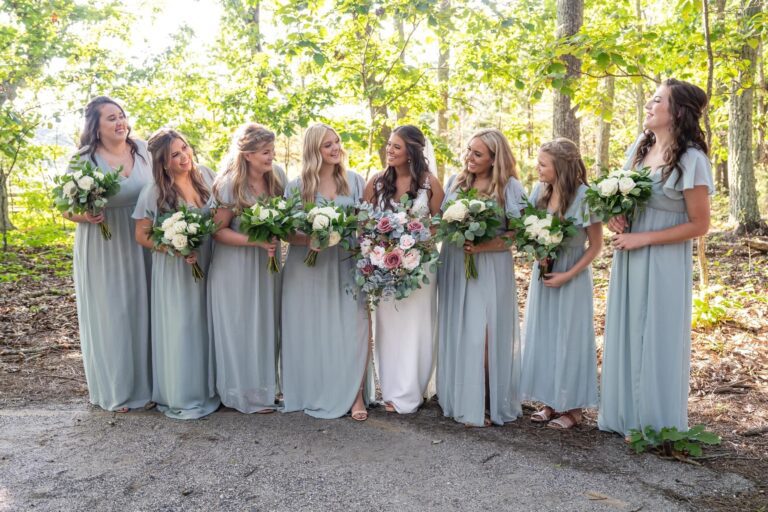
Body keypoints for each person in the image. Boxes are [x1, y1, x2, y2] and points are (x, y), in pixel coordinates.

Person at [598, 79, 713, 436]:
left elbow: (700, 224)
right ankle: (623, 415)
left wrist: (644, 237)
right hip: (630, 253)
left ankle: (655, 421)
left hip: (663, 260)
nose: (649, 105)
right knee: (628, 328)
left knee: (656, 333)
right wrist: (614, 217)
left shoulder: (692, 160)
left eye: (657, 100)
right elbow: (621, 201)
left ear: (677, 111)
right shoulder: (638, 149)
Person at [65, 96, 152, 413]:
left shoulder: (142, 149)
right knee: (113, 314)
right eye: (111, 118)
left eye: (122, 116)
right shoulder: (83, 159)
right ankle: (119, 390)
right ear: (96, 126)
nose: (120, 123)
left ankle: (150, 385)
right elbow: (65, 208)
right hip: (104, 242)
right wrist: (85, 216)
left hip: (143, 239)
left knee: (145, 310)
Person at [281, 123, 373, 420]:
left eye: (337, 142)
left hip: (346, 263)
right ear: (313, 150)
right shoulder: (297, 187)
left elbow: (366, 224)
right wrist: (309, 238)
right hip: (308, 267)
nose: (336, 149)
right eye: (328, 145)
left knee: (353, 327)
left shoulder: (355, 182)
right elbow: (286, 233)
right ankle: (313, 388)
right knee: (313, 329)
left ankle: (356, 395)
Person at [437, 128, 526, 427]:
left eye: (477, 154)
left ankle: (487, 401)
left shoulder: (510, 187)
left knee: (484, 335)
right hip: (455, 261)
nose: (469, 158)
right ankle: (460, 396)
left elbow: (519, 234)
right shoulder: (456, 182)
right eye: (468, 150)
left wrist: (483, 244)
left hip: (490, 266)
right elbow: (442, 222)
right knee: (461, 330)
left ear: (494, 158)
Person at [133, 128, 220, 420]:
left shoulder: (207, 175)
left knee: (206, 324)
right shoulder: (154, 192)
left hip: (208, 262)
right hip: (174, 270)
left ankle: (211, 388)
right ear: (163, 162)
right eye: (175, 154)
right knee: (181, 327)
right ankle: (181, 392)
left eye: (185, 148)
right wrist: (173, 249)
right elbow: (142, 235)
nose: (184, 157)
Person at [519, 138, 602, 429]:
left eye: (543, 164)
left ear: (561, 167)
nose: (538, 168)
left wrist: (568, 274)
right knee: (544, 333)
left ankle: (574, 409)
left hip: (572, 274)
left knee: (570, 337)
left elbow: (595, 246)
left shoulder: (585, 196)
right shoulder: (538, 192)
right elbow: (526, 232)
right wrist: (537, 254)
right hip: (543, 271)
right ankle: (550, 402)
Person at [363, 125, 445, 414]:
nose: (390, 150)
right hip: (384, 268)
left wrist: (414, 247)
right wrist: (380, 251)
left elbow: (440, 224)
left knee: (417, 327)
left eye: (396, 146)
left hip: (421, 268)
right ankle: (390, 390)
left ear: (412, 152)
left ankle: (412, 391)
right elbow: (364, 223)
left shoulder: (429, 184)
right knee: (388, 326)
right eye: (389, 145)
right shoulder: (376, 182)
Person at [208, 123, 284, 413]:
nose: (271, 157)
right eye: (266, 152)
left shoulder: (276, 178)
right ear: (248, 154)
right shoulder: (230, 184)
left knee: (265, 323)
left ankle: (265, 388)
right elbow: (217, 231)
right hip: (236, 265)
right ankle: (241, 394)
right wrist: (255, 240)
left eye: (272, 150)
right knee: (241, 324)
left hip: (267, 264)